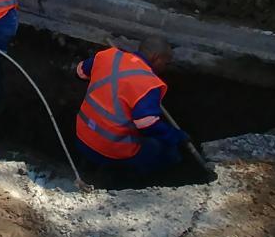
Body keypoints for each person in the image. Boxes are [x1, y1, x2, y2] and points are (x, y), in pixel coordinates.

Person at [73, 36, 189, 174]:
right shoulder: (149, 84)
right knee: (162, 148)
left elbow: (80, 72)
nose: (165, 68)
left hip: (82, 136)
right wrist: (175, 136)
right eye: (166, 63)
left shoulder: (108, 56)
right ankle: (151, 181)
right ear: (157, 57)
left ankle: (88, 167)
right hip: (110, 150)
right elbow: (147, 125)